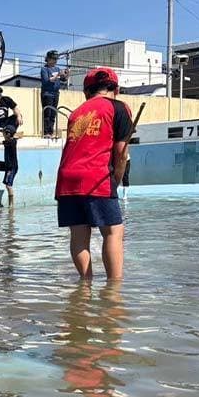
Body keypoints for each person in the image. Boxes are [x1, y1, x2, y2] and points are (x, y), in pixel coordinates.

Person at [55, 67, 132, 281]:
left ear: (86, 92)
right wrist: (116, 179)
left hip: (66, 180)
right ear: (115, 90)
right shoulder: (119, 107)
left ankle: (85, 285)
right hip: (96, 176)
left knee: (79, 236)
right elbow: (121, 153)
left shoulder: (77, 112)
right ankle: (114, 291)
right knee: (114, 232)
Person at [41, 50, 70, 138]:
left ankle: (51, 131)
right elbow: (47, 80)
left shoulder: (57, 69)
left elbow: (63, 80)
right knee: (47, 113)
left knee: (53, 113)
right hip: (47, 93)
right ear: (48, 59)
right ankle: (46, 132)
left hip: (55, 93)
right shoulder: (44, 69)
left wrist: (66, 75)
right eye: (53, 59)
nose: (55, 61)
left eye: (56, 59)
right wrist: (58, 75)